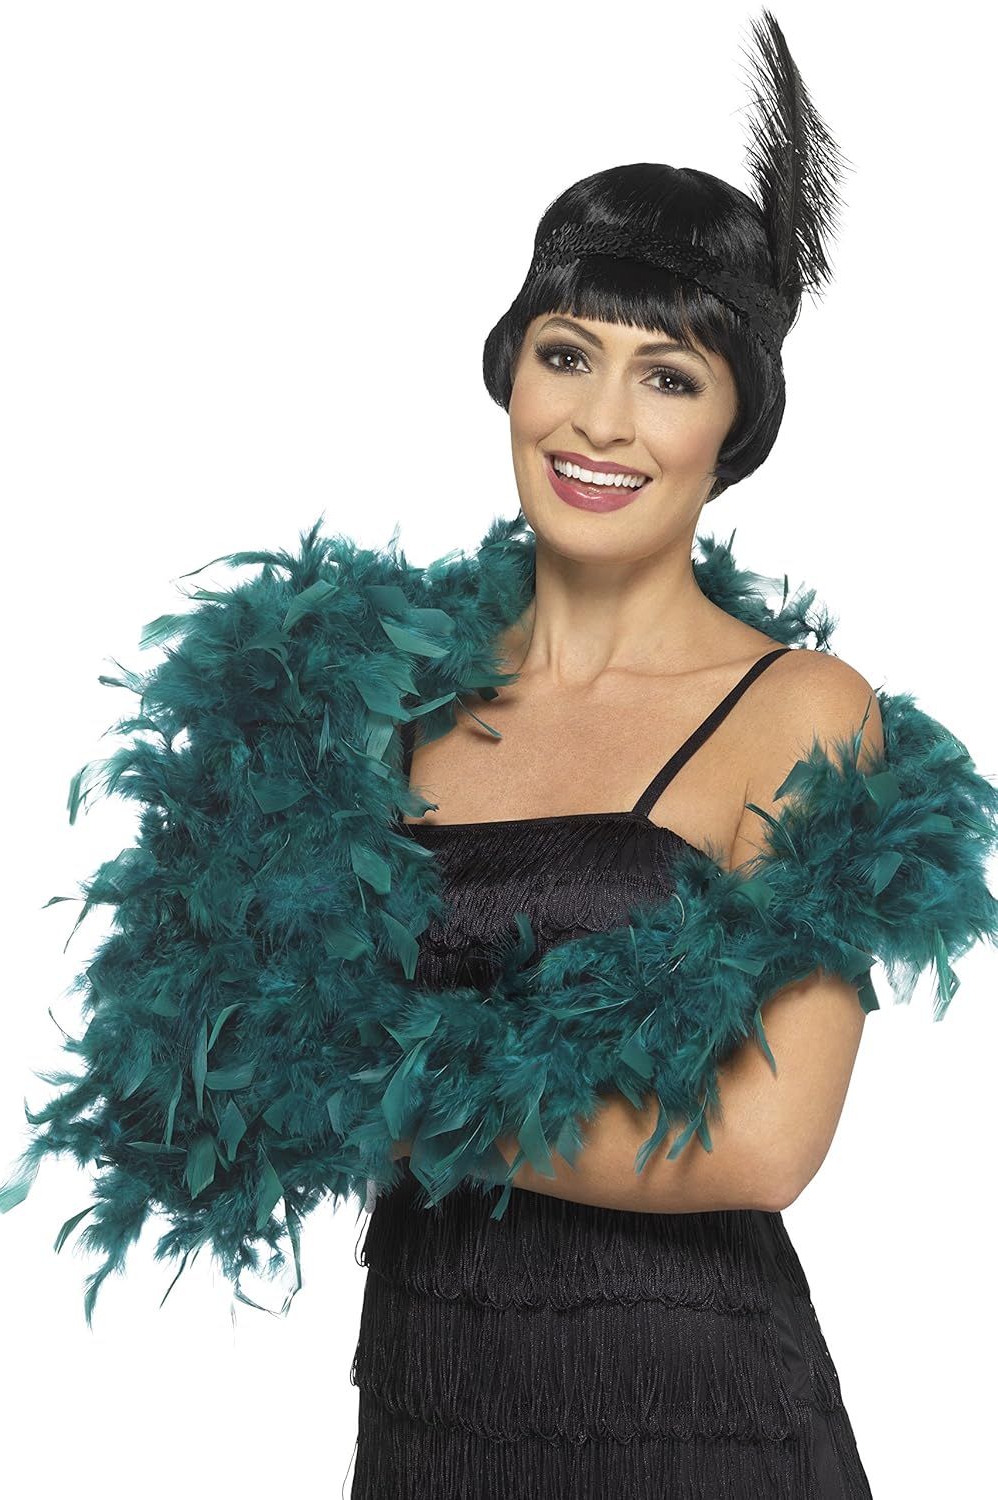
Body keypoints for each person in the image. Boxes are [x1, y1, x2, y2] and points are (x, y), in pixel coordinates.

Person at [349, 10, 879, 1496]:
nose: (599, 421)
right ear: (510, 373)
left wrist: (386, 1091)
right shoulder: (380, 693)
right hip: (431, 1389)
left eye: (669, 376)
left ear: (734, 426)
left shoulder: (802, 711)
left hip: (695, 1408)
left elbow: (763, 1143)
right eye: (567, 354)